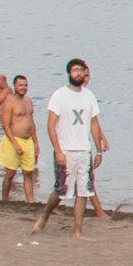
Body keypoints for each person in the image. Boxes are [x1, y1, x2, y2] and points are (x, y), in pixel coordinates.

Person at [33, 57, 107, 239]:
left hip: (84, 150)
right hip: (66, 150)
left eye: (81, 70)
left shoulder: (89, 96)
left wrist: (99, 151)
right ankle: (45, 215)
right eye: (75, 70)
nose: (78, 73)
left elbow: (94, 124)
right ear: (69, 73)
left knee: (84, 190)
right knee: (61, 190)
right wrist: (58, 150)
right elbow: (51, 125)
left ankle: (77, 231)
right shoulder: (60, 95)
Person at [0, 73, 39, 202]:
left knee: (28, 172)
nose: (23, 87)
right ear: (14, 86)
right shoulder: (9, 101)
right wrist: (14, 143)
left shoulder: (28, 101)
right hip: (13, 140)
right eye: (20, 85)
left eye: (25, 85)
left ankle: (30, 201)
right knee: (10, 173)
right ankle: (4, 199)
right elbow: (5, 124)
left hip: (28, 141)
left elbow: (31, 123)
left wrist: (36, 142)